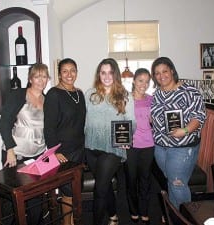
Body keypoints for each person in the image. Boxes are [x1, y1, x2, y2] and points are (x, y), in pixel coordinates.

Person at [84, 58, 135, 225]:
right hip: (91, 147)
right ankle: (113, 215)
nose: (106, 76)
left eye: (110, 73)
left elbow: (132, 122)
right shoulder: (90, 94)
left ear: (116, 74)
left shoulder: (125, 95)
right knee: (103, 186)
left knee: (99, 190)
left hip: (112, 149)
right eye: (103, 72)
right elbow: (83, 120)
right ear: (99, 74)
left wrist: (128, 138)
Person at [150, 57, 206, 209]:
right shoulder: (156, 95)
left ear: (172, 71)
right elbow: (153, 118)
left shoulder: (190, 91)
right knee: (172, 181)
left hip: (182, 147)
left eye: (164, 71)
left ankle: (187, 218)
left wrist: (185, 130)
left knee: (177, 183)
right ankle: (175, 216)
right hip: (160, 147)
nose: (161, 76)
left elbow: (199, 117)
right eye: (157, 73)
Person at [0, 63, 50, 225]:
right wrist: (10, 149)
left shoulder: (48, 100)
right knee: (13, 198)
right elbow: (4, 123)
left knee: (36, 196)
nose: (41, 80)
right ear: (30, 78)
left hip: (39, 153)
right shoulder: (18, 94)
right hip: (16, 152)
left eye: (44, 76)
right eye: (37, 76)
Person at [44, 58, 86, 225]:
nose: (69, 74)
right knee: (68, 192)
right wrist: (55, 151)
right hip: (63, 152)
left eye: (73, 70)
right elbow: (49, 127)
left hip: (79, 149)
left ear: (77, 72)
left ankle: (74, 222)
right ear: (59, 74)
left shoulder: (79, 93)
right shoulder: (54, 94)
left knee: (76, 191)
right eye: (65, 71)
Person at [124, 68, 154, 225]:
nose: (144, 84)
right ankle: (133, 211)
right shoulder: (125, 99)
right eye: (141, 80)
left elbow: (153, 121)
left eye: (147, 81)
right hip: (131, 146)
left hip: (148, 144)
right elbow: (119, 123)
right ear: (134, 81)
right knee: (131, 180)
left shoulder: (151, 99)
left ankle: (144, 211)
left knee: (145, 180)